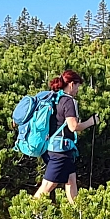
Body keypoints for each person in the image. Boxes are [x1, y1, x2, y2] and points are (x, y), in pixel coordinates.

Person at [33, 70, 98, 204]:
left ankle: (77, 214)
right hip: (60, 152)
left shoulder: (55, 98)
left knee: (71, 181)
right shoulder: (68, 101)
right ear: (72, 84)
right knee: (47, 187)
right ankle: (27, 215)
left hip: (53, 148)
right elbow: (73, 126)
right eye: (78, 86)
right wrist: (91, 122)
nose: (77, 90)